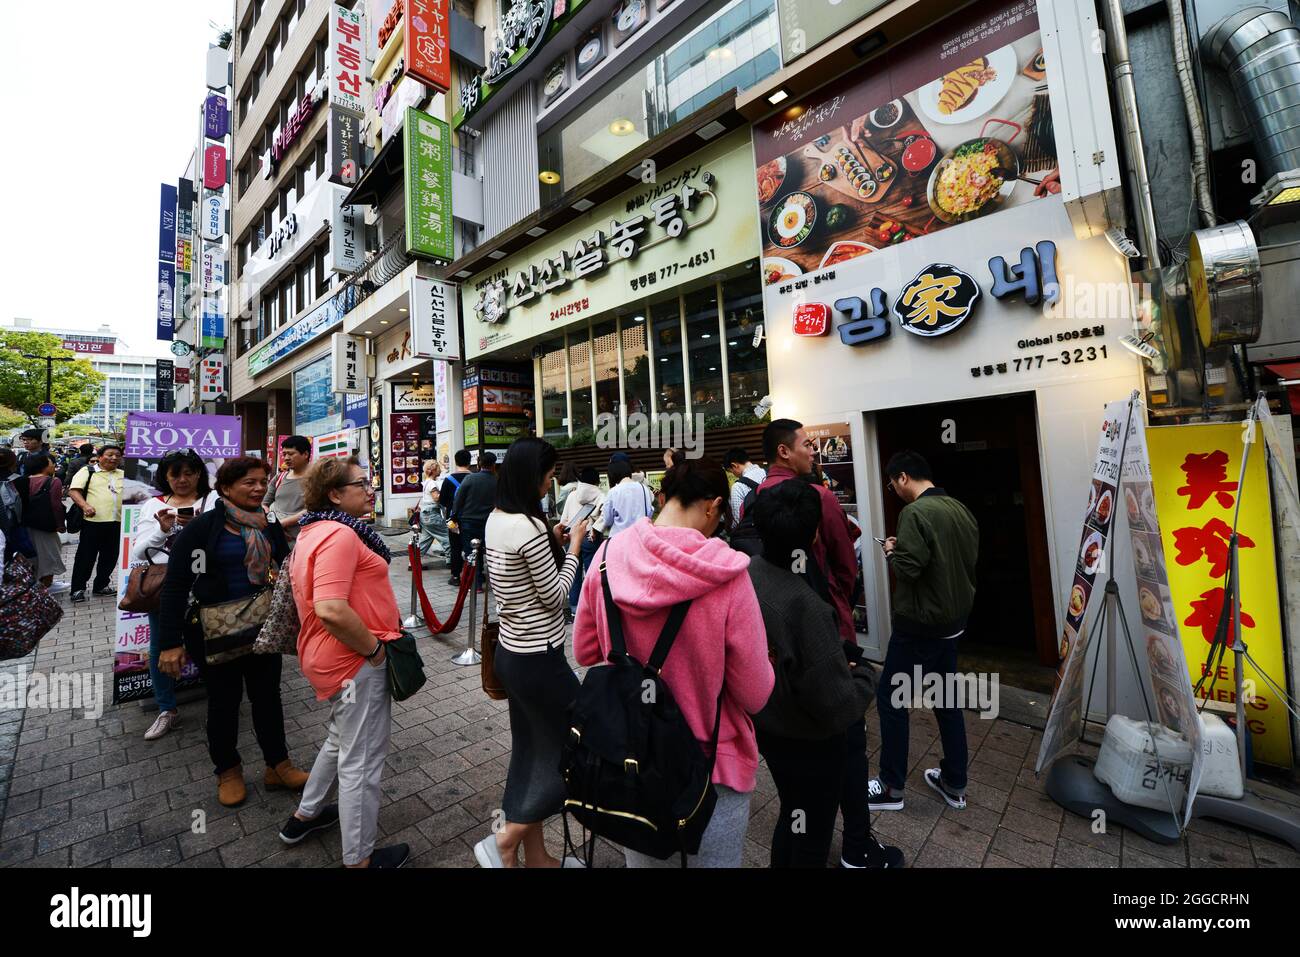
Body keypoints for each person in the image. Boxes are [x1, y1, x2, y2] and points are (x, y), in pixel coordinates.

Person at [574, 457, 774, 868]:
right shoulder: (729, 575)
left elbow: (585, 651)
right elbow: (755, 694)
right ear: (714, 506)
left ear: (663, 498)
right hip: (711, 768)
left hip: (633, 763)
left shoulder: (608, 558)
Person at [748, 481, 903, 869]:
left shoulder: (752, 573)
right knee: (813, 834)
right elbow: (838, 706)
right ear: (815, 533)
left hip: (769, 725)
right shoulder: (806, 607)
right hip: (809, 739)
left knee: (792, 815)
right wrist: (864, 674)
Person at [156, 456, 309, 807]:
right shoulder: (203, 528)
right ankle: (228, 770)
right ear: (225, 488)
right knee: (224, 703)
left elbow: (284, 571)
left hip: (261, 629)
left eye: (262, 481)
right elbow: (178, 585)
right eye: (249, 482)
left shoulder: (267, 524)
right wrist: (169, 643)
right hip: (214, 630)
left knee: (268, 698)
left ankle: (278, 765)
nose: (258, 488)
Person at [279, 457, 409, 869]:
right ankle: (359, 859)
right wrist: (374, 650)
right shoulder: (339, 535)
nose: (370, 489)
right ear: (335, 494)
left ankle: (306, 815)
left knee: (341, 741)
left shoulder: (316, 530)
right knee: (363, 760)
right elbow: (332, 608)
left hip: (330, 657)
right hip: (352, 660)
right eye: (362, 483)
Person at [473, 437, 589, 869]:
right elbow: (557, 596)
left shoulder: (498, 519)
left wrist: (551, 541)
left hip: (512, 654)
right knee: (575, 744)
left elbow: (522, 578)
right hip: (540, 658)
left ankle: (536, 857)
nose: (551, 481)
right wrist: (574, 545)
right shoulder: (530, 527)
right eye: (548, 473)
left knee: (530, 752)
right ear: (531, 476)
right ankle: (506, 840)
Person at [870, 450, 979, 813]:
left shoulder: (914, 513)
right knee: (947, 701)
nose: (893, 491)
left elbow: (910, 571)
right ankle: (954, 783)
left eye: (892, 484)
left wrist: (891, 552)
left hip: (919, 627)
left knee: (891, 699)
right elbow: (947, 559)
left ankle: (890, 788)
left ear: (903, 478)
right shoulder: (959, 509)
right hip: (953, 626)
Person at [130, 450, 219, 742]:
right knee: (161, 645)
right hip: (167, 585)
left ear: (198, 474)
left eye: (189, 473)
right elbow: (139, 553)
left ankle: (221, 700)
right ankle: (167, 709)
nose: (182, 480)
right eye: (175, 474)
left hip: (208, 580)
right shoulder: (152, 506)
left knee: (211, 642)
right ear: (165, 477)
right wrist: (162, 529)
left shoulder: (214, 500)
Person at [67, 444, 126, 603]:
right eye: (110, 455)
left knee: (110, 557)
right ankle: (78, 588)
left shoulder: (123, 474)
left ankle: (101, 585)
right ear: (100, 457)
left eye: (117, 455)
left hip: (117, 522)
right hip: (92, 522)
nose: (114, 458)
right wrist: (85, 506)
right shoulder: (88, 471)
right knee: (85, 557)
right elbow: (73, 491)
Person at [15, 453, 66, 592]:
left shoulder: (20, 480)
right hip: (45, 526)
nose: (53, 465)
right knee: (49, 557)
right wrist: (60, 525)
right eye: (50, 462)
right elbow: (56, 506)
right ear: (43, 465)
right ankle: (43, 591)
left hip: (26, 526)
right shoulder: (53, 481)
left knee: (34, 557)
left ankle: (36, 587)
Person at [559, 466, 604, 620]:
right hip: (590, 538)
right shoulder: (600, 496)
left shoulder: (572, 495)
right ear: (597, 481)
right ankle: (592, 607)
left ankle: (574, 608)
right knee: (592, 574)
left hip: (571, 536)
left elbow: (564, 519)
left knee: (573, 573)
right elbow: (603, 519)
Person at [449, 450, 496, 582]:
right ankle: (483, 577)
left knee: (471, 552)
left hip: (469, 521)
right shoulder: (498, 481)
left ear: (480, 464)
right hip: (490, 522)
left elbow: (458, 499)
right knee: (485, 550)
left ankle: (476, 582)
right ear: (493, 465)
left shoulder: (470, 478)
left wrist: (454, 516)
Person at [263, 435, 311, 545]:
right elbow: (264, 503)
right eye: (284, 454)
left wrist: (281, 524)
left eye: (291, 454)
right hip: (275, 537)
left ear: (305, 454)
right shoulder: (279, 477)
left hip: (301, 539)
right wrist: (272, 523)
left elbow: (313, 509)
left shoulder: (317, 479)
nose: (286, 458)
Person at [440, 450, 473, 584]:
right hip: (471, 517)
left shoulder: (448, 480)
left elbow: (442, 501)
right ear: (470, 462)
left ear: (455, 461)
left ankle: (455, 576)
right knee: (471, 547)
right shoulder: (475, 478)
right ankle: (473, 575)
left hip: (453, 519)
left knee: (455, 547)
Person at [600, 458, 653, 539]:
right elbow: (649, 512)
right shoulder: (643, 488)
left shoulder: (613, 492)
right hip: (640, 537)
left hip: (618, 538)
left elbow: (607, 520)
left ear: (612, 474)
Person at [723, 447, 767, 530]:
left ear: (734, 465)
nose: (733, 474)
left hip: (754, 535)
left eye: (731, 471)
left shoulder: (738, 487)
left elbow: (738, 520)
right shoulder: (768, 473)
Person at [416, 460, 449, 560]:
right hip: (432, 515)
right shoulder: (432, 484)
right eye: (438, 468)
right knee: (447, 537)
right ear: (434, 470)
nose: (440, 470)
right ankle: (451, 560)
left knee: (425, 540)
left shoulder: (426, 482)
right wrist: (447, 494)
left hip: (425, 515)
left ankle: (414, 562)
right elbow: (436, 498)